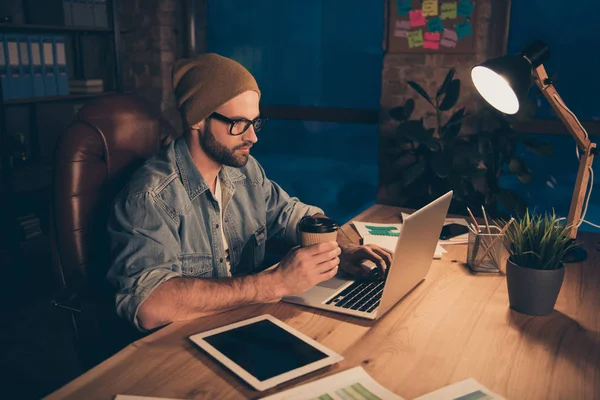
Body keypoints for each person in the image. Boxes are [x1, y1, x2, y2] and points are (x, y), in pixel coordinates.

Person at [107, 54, 393, 332]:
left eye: (255, 122)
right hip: (180, 345)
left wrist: (342, 250)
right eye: (238, 124)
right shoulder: (151, 196)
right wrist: (275, 283)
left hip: (247, 323)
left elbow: (294, 214)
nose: (252, 137)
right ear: (197, 119)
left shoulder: (244, 170)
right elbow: (149, 305)